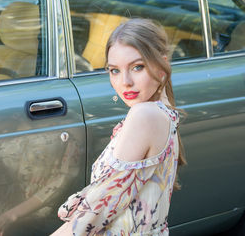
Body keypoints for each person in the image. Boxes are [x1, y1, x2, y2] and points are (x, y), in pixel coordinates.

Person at [51, 18, 186, 236]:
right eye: (114, 70)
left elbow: (95, 212)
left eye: (137, 67)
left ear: (162, 66)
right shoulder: (163, 112)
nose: (125, 82)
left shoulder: (144, 114)